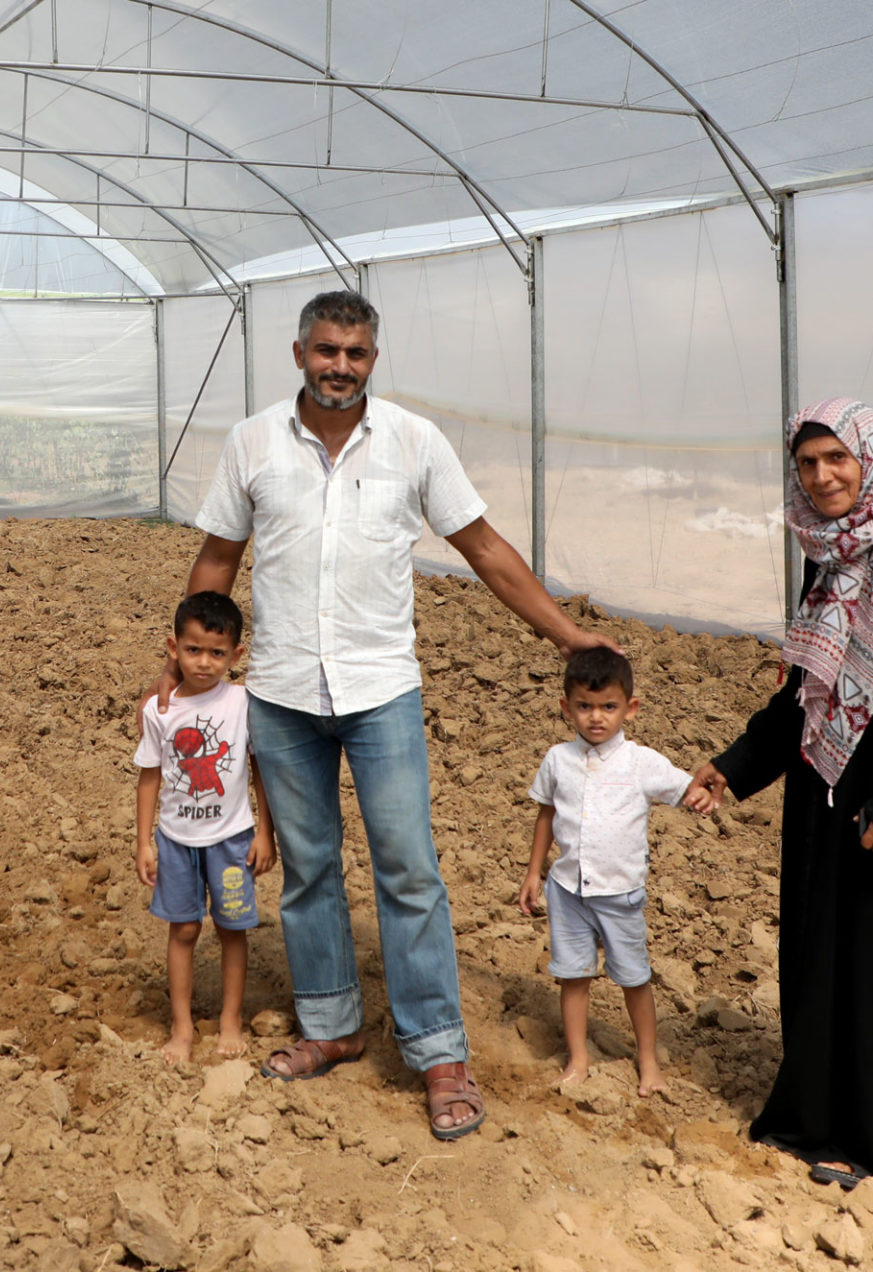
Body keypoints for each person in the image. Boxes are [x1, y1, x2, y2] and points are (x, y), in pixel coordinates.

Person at [167, 289, 613, 1140]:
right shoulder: (253, 442)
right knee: (308, 867)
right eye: (327, 350)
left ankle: (439, 1050)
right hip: (285, 692)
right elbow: (217, 556)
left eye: (357, 353)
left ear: (374, 359)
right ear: (298, 353)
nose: (341, 366)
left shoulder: (414, 442)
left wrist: (565, 633)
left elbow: (482, 547)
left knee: (409, 868)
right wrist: (181, 664)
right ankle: (331, 1028)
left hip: (381, 692)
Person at [685, 397, 873, 1216]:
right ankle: (821, 1121)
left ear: (871, 458)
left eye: (836, 460)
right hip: (827, 792)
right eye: (808, 464)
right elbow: (805, 693)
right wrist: (737, 764)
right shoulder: (828, 550)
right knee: (825, 957)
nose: (821, 477)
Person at [516, 647, 716, 1093]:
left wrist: (704, 795)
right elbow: (546, 814)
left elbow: (685, 789)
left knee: (633, 978)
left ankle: (649, 1063)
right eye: (584, 707)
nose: (596, 718)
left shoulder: (641, 763)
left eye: (609, 707)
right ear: (566, 707)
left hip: (620, 894)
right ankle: (578, 1061)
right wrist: (535, 872)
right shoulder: (557, 760)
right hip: (567, 890)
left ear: (631, 708)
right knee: (573, 976)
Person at [134, 591, 278, 1065]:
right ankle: (181, 1027)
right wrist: (144, 842)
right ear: (173, 648)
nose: (204, 662)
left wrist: (264, 832)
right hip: (175, 843)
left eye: (217, 653)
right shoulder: (158, 710)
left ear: (236, 655)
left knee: (232, 929)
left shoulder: (242, 703)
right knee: (184, 930)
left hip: (233, 840)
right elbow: (150, 775)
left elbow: (258, 770)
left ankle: (231, 1021)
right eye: (193, 650)